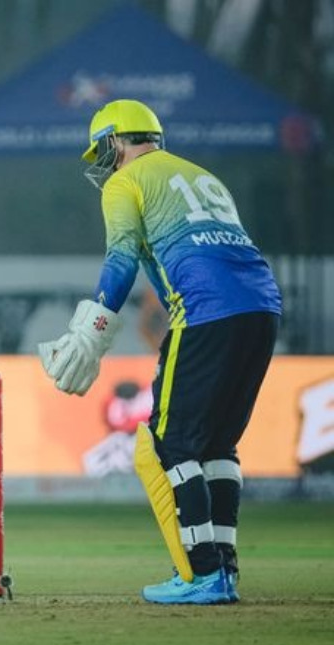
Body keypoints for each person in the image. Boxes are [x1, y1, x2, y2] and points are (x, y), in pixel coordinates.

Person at [38, 99, 281, 605]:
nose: (103, 164)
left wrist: (91, 332)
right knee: (218, 444)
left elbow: (121, 259)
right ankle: (223, 568)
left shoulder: (126, 182)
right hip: (262, 309)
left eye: (102, 151)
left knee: (170, 443)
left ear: (115, 141)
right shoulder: (202, 175)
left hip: (206, 311)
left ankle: (202, 573)